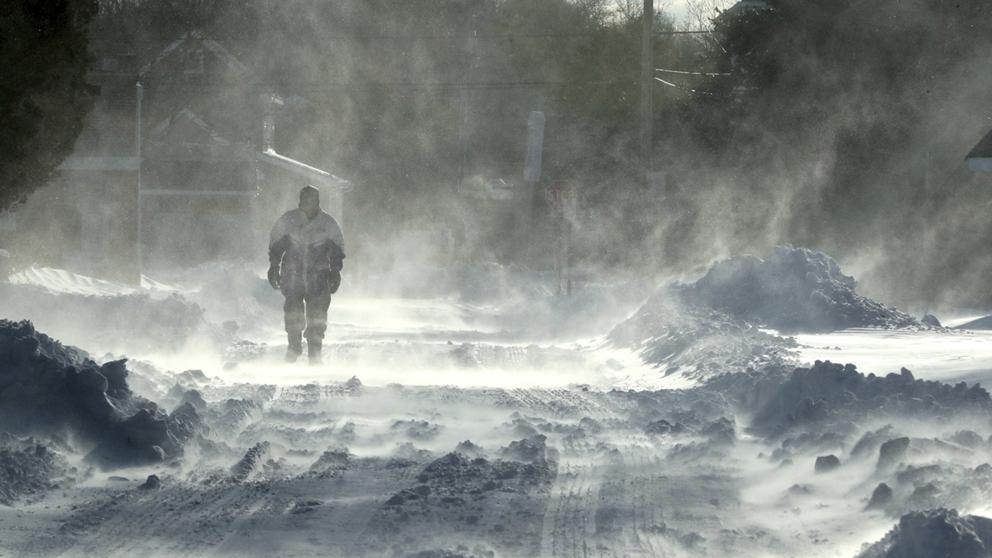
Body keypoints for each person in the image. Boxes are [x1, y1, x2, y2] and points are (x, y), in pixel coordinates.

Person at [268, 185, 345, 364]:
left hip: (319, 276)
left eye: (311, 201)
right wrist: (273, 266)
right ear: (299, 201)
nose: (307, 204)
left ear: (318, 202)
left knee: (317, 314)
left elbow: (337, 250)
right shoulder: (288, 220)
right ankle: (293, 346)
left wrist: (335, 272)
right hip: (292, 274)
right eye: (304, 200)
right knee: (293, 310)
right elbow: (275, 246)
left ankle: (315, 351)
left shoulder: (328, 224)